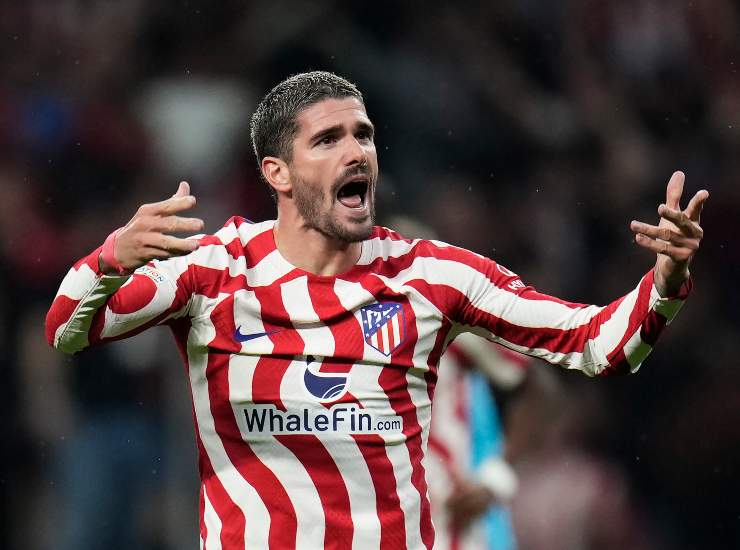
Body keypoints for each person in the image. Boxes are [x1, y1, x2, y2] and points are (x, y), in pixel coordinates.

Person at [46, 71, 707, 550]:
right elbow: (69, 330)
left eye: (363, 134)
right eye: (328, 139)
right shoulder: (214, 273)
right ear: (278, 173)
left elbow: (599, 346)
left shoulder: (433, 276)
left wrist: (667, 278)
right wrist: (110, 259)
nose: (357, 150)